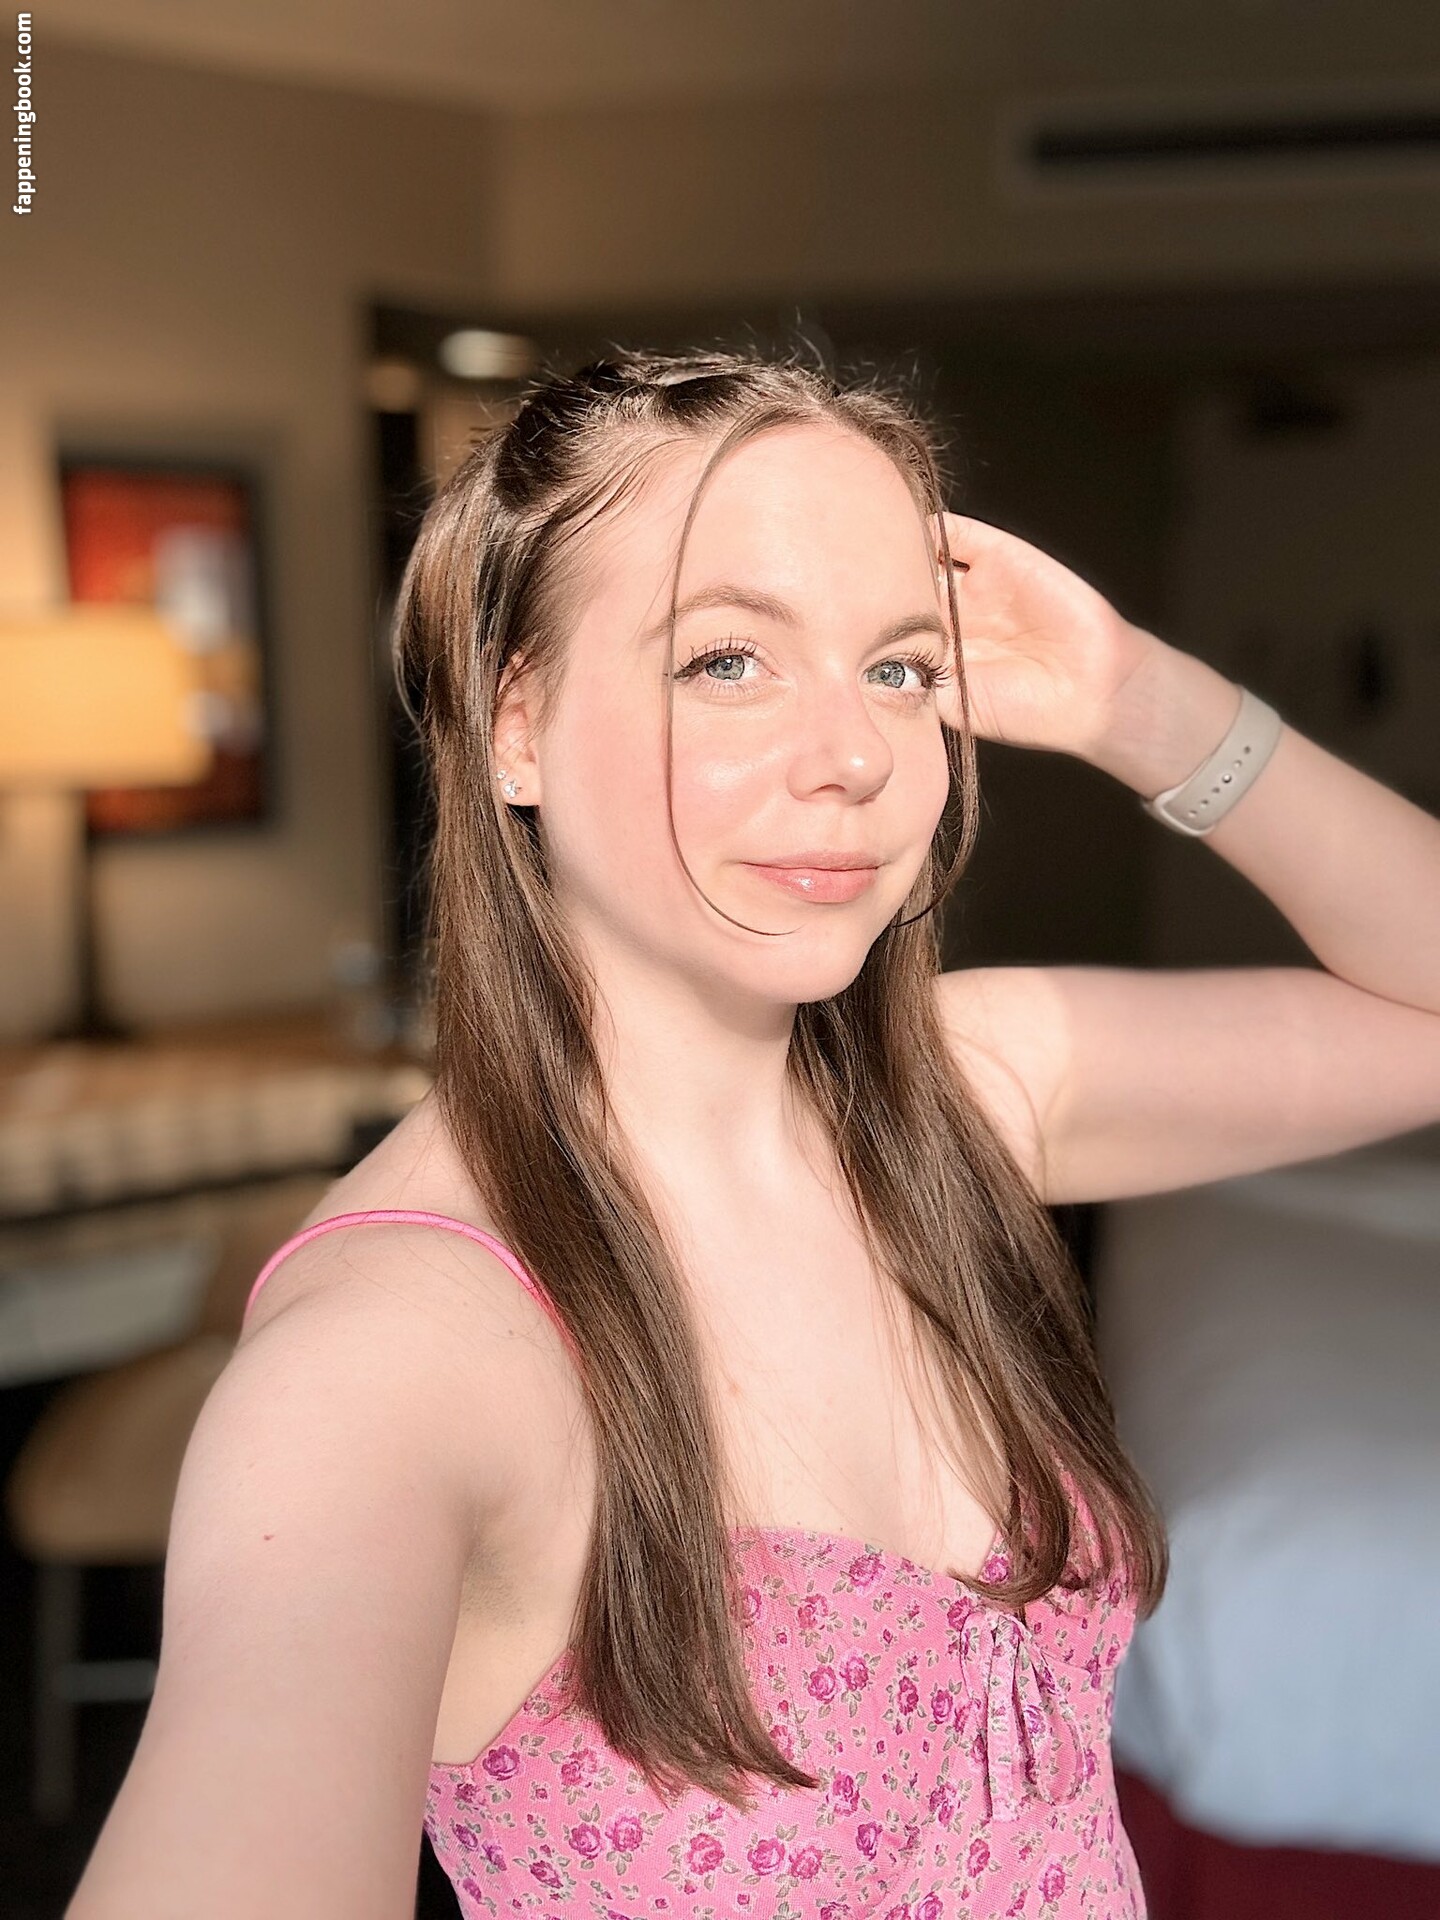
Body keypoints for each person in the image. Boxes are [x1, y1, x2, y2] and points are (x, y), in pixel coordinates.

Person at [67, 351, 1440, 1920]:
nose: (855, 755)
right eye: (729, 660)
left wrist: (1139, 702)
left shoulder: (959, 1103)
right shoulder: (394, 1358)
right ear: (516, 720)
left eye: (900, 669)